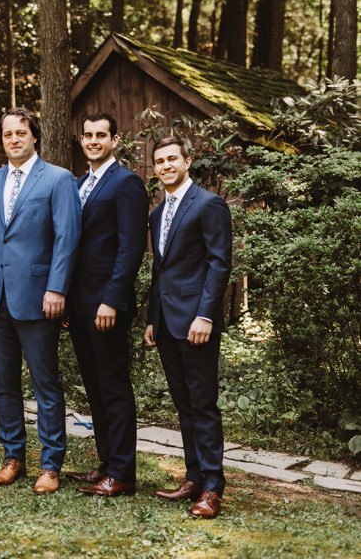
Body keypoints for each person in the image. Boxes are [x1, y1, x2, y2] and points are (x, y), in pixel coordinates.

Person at [0, 108, 81, 494]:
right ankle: (13, 457)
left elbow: (66, 238)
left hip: (40, 298)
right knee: (4, 384)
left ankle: (51, 464)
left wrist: (57, 288)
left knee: (46, 383)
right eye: (7, 134)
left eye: (21, 132)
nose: (14, 139)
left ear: (34, 136)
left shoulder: (57, 179)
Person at [143, 136, 232, 519]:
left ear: (188, 162)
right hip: (166, 322)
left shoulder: (209, 205)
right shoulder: (157, 212)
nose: (165, 166)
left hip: (197, 322)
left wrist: (206, 316)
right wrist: (151, 317)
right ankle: (193, 477)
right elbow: (159, 270)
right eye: (159, 161)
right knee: (184, 405)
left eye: (172, 159)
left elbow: (219, 264)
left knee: (203, 405)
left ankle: (213, 486)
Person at [67, 113, 148, 497]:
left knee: (113, 386)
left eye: (101, 135)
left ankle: (123, 473)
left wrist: (111, 300)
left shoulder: (126, 182)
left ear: (114, 140)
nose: (93, 141)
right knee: (95, 387)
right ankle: (105, 463)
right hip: (81, 305)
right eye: (88, 135)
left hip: (106, 305)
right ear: (80, 140)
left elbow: (131, 247)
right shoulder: (80, 183)